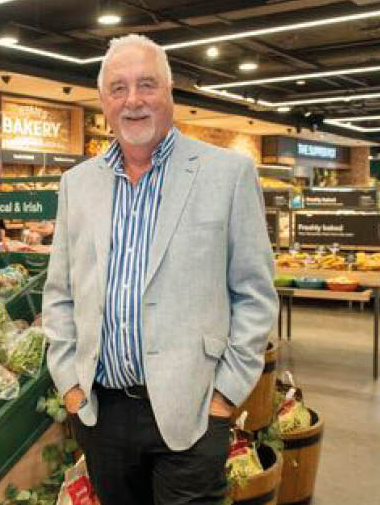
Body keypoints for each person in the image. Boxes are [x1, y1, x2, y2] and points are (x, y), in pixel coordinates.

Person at [43, 34, 277, 505]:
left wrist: (225, 396)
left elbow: (255, 293)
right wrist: (69, 384)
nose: (133, 101)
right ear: (103, 102)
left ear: (170, 93)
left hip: (192, 411)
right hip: (102, 412)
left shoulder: (227, 174)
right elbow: (60, 292)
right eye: (119, 88)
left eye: (146, 85)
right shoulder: (77, 184)